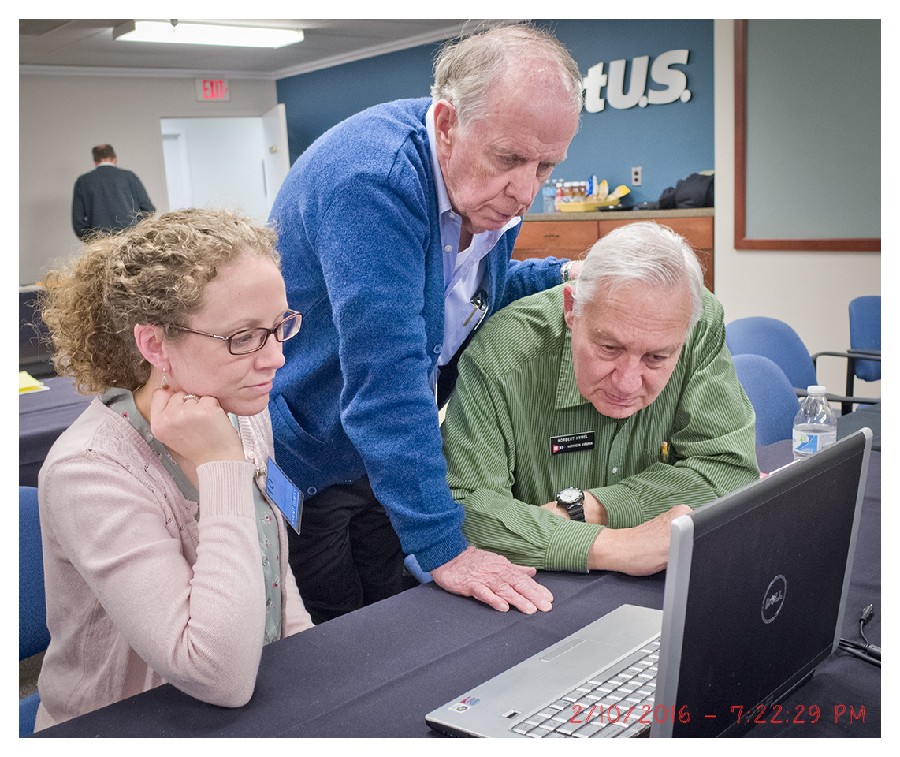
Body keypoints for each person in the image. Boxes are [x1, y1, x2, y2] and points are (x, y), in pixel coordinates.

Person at [268, 22, 583, 623]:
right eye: (510, 159)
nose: (525, 192)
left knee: (396, 612)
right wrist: (445, 548)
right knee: (336, 630)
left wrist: (565, 272)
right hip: (313, 449)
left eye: (546, 166)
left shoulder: (481, 183)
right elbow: (387, 378)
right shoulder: (373, 183)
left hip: (390, 451)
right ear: (446, 123)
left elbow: (458, 294)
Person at [34, 208, 313, 731]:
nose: (276, 358)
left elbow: (271, 570)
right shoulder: (89, 472)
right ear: (154, 344)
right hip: (126, 726)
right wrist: (221, 467)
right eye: (243, 337)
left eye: (280, 327)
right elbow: (217, 675)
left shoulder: (239, 410)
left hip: (251, 702)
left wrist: (304, 663)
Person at [441, 221, 761, 573]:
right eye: (609, 348)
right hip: (541, 586)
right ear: (572, 308)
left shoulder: (698, 321)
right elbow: (467, 508)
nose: (626, 384)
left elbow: (729, 468)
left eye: (656, 357)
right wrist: (616, 548)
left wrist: (588, 508)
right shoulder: (502, 352)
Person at [71, 143, 155, 239]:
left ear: (95, 161)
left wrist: (93, 240)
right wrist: (137, 232)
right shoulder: (129, 177)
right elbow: (148, 210)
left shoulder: (83, 181)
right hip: (130, 240)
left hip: (101, 242)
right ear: (115, 158)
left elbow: (78, 223)